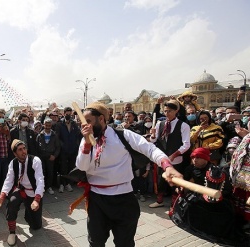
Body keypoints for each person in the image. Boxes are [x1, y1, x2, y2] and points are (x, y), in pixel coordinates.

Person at [75, 102, 181, 247]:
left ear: (101, 119)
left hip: (123, 199)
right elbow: (81, 166)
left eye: (88, 121)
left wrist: (167, 166)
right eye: (82, 122)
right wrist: (87, 144)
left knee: (124, 243)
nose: (84, 126)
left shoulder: (122, 135)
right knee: (95, 242)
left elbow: (150, 149)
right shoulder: (85, 139)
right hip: (97, 200)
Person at [0, 139, 44, 246]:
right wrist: (1, 198)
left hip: (34, 194)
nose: (23, 151)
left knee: (36, 226)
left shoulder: (35, 160)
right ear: (15, 153)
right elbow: (8, 180)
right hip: (21, 190)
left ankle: (29, 213)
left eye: (24, 148)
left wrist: (37, 200)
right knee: (11, 203)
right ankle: (12, 232)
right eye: (20, 150)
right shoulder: (13, 163)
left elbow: (40, 181)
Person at [149, 99, 191, 208]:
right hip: (162, 159)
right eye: (165, 111)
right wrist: (152, 135)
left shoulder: (183, 126)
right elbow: (154, 141)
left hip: (175, 159)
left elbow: (186, 145)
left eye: (170, 111)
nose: (167, 113)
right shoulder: (160, 124)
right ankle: (159, 201)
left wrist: (174, 155)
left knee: (175, 182)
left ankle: (174, 204)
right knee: (160, 181)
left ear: (176, 111)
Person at [55, 107, 82, 193]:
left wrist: (76, 145)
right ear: (64, 113)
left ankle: (68, 184)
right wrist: (62, 145)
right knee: (63, 168)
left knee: (71, 167)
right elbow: (57, 137)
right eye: (67, 113)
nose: (68, 115)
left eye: (70, 113)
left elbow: (78, 135)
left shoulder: (74, 124)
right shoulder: (59, 124)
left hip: (72, 150)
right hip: (63, 150)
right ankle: (62, 184)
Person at [36, 118, 60, 194]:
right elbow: (37, 147)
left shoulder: (54, 135)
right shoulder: (40, 135)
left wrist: (54, 156)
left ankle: (49, 187)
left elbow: (58, 147)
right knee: (42, 172)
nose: (48, 126)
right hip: (42, 157)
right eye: (46, 125)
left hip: (51, 157)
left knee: (50, 172)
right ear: (44, 125)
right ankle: (42, 187)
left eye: (49, 125)